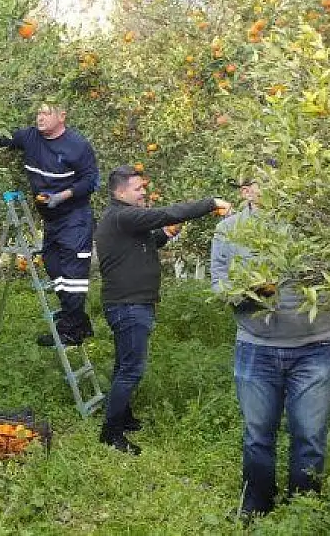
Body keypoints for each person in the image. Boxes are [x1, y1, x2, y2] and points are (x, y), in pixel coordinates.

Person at [210, 179, 330, 518]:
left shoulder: (312, 224)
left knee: (310, 435)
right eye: (257, 184)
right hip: (256, 347)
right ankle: (256, 505)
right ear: (244, 191)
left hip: (314, 346)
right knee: (257, 434)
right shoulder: (228, 229)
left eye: (272, 182)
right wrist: (249, 290)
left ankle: (303, 509)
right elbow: (219, 284)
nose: (267, 189)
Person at [94, 165, 230, 454]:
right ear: (120, 192)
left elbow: (144, 244)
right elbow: (165, 213)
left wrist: (166, 235)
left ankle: (123, 416)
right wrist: (210, 204)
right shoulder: (122, 215)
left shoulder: (123, 221)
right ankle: (111, 432)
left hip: (129, 303)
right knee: (131, 369)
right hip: (128, 305)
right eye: (138, 188)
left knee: (124, 364)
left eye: (144, 187)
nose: (144, 192)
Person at [0, 103, 100, 346]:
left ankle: (71, 331)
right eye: (38, 113)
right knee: (52, 264)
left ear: (62, 116)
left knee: (73, 276)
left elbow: (91, 181)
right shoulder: (29, 137)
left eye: (46, 113)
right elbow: (7, 140)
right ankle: (78, 320)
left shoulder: (77, 146)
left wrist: (63, 195)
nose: (40, 118)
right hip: (51, 219)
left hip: (75, 218)